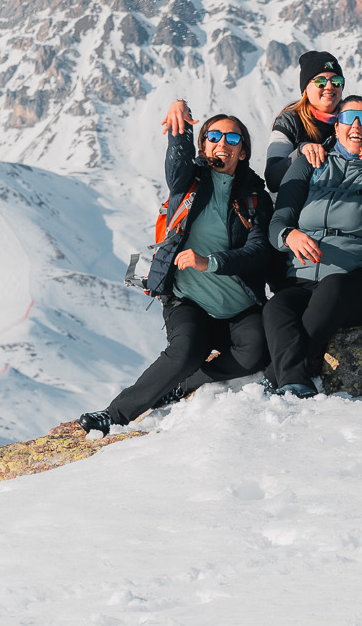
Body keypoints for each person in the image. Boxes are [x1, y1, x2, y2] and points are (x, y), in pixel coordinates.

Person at [79, 101, 270, 432]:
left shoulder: (255, 196)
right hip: (188, 301)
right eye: (213, 136)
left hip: (238, 306)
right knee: (185, 352)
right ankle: (114, 414)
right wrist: (180, 121)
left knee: (255, 353)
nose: (222, 144)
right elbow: (177, 165)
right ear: (203, 144)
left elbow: (258, 249)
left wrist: (210, 262)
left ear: (243, 152)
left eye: (232, 139)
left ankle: (185, 385)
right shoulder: (188, 184)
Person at [262, 93, 362, 396]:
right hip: (304, 279)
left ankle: (278, 372)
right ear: (336, 127)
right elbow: (277, 223)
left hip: (359, 280)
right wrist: (289, 236)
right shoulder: (309, 164)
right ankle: (296, 380)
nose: (356, 127)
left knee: (333, 288)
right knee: (276, 308)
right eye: (349, 118)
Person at [265, 49, 362, 195]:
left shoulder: (351, 118)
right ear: (305, 89)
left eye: (336, 81)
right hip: (297, 203)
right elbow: (272, 179)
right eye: (320, 82)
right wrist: (300, 151)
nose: (329, 86)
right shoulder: (289, 121)